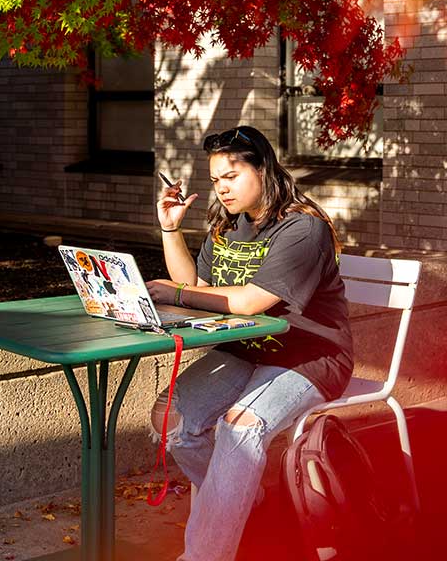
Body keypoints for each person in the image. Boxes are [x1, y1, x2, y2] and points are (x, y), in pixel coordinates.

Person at [147, 125, 354, 561]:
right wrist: (171, 231)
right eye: (215, 179)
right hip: (246, 349)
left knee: (240, 428)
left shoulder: (303, 228)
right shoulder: (228, 224)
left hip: (311, 355)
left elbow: (251, 301)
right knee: (171, 419)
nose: (222, 188)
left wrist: (176, 294)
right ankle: (250, 501)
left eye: (232, 176)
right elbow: (197, 286)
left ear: (264, 168)